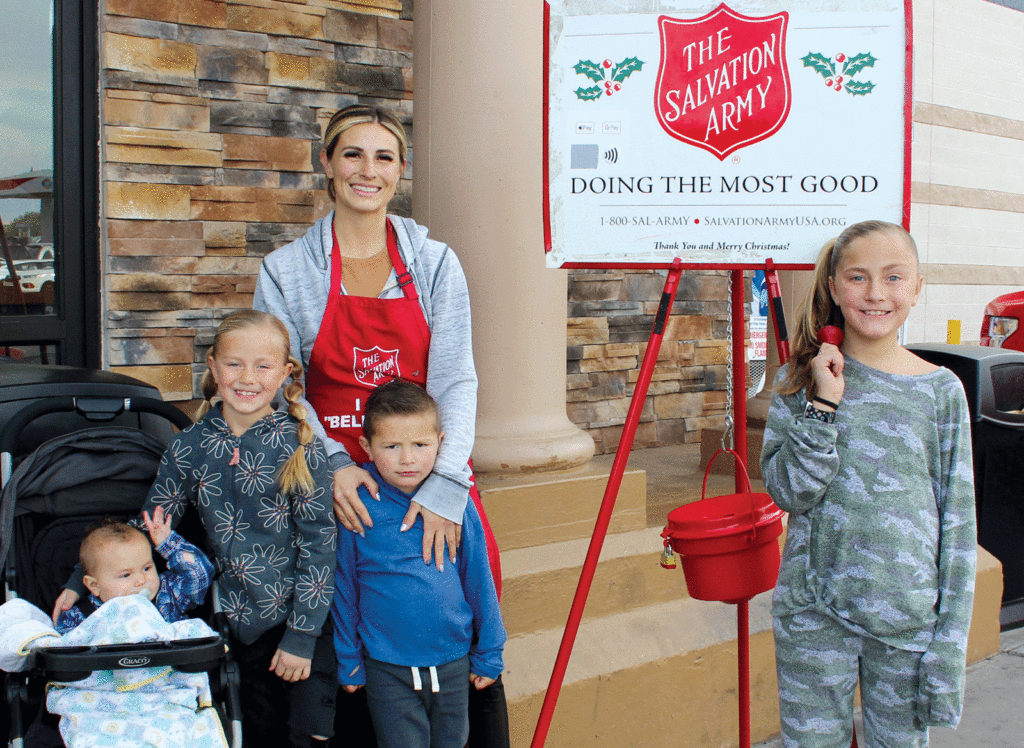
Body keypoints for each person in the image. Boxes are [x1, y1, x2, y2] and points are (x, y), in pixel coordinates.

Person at [253, 103, 509, 746]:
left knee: (446, 604)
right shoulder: (286, 271)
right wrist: (331, 468)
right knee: (335, 613)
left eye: (384, 157)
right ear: (328, 165)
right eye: (353, 155)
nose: (369, 170)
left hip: (421, 466)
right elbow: (280, 384)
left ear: (400, 170)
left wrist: (445, 486)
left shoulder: (435, 263)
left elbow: (455, 378)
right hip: (332, 473)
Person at [53, 310, 338, 748]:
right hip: (235, 624)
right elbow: (150, 524)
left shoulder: (300, 446)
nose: (248, 378)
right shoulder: (189, 446)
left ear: (285, 373)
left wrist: (302, 636)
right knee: (254, 730)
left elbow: (319, 544)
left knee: (309, 732)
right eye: (234, 363)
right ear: (213, 366)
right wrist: (79, 580)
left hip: (301, 620)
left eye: (263, 366)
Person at [760, 220, 977, 748]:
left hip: (906, 623)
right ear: (834, 287)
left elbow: (958, 526)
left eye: (894, 277)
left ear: (917, 286)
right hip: (813, 617)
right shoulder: (800, 382)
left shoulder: (941, 391)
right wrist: (823, 404)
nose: (876, 293)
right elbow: (789, 492)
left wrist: (947, 645)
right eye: (858, 278)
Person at [332, 380, 506, 748]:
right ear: (366, 446)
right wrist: (348, 655)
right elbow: (345, 584)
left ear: (441, 443)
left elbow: (478, 577)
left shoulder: (456, 503)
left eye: (420, 445)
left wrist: (490, 649)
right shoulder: (360, 504)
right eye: (391, 446)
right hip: (386, 666)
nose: (407, 459)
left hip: (453, 661)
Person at [55, 509, 212, 633]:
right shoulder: (82, 618)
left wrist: (168, 545)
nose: (141, 580)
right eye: (126, 575)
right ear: (94, 586)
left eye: (146, 568)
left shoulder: (167, 596)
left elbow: (199, 574)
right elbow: (63, 651)